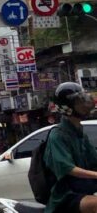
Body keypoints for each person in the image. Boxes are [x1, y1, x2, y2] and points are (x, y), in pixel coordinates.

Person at [44, 82, 97, 213]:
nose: (85, 104)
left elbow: (94, 159)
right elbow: (67, 168)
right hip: (66, 195)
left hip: (85, 189)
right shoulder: (57, 135)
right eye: (79, 102)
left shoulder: (80, 133)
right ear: (67, 107)